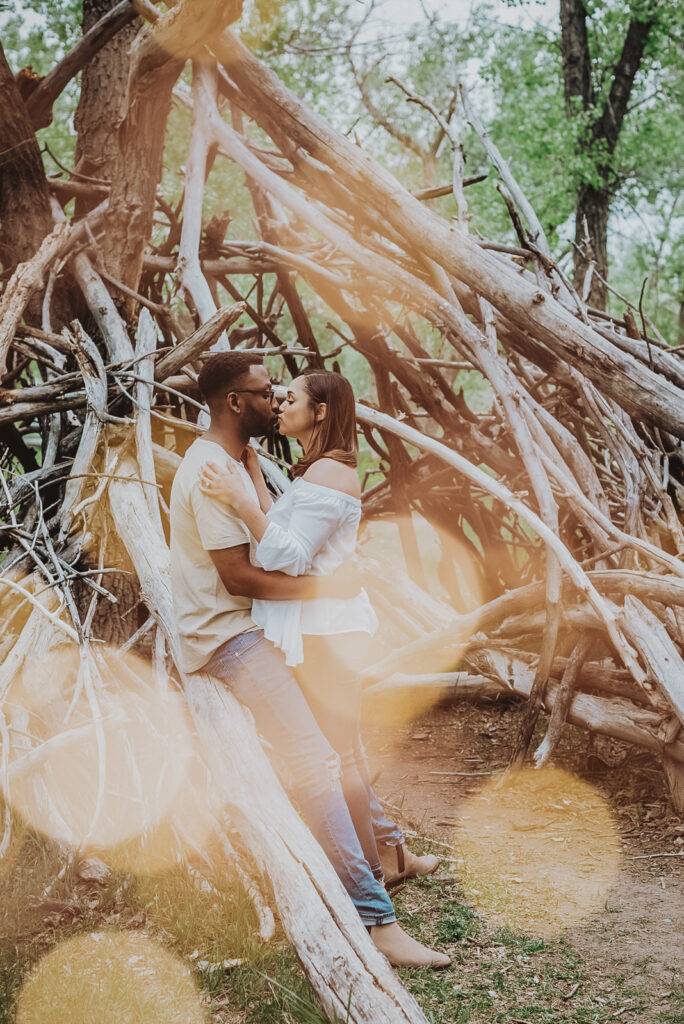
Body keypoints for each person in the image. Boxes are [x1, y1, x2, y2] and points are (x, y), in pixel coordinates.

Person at [169, 351, 449, 968]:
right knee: (319, 760)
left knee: (335, 747)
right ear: (236, 402)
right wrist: (330, 587)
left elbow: (275, 542)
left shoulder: (234, 463)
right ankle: (375, 919)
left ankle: (386, 859)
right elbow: (242, 578)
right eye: (266, 392)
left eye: (282, 393)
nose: (275, 401)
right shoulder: (213, 471)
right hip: (230, 636)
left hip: (253, 626)